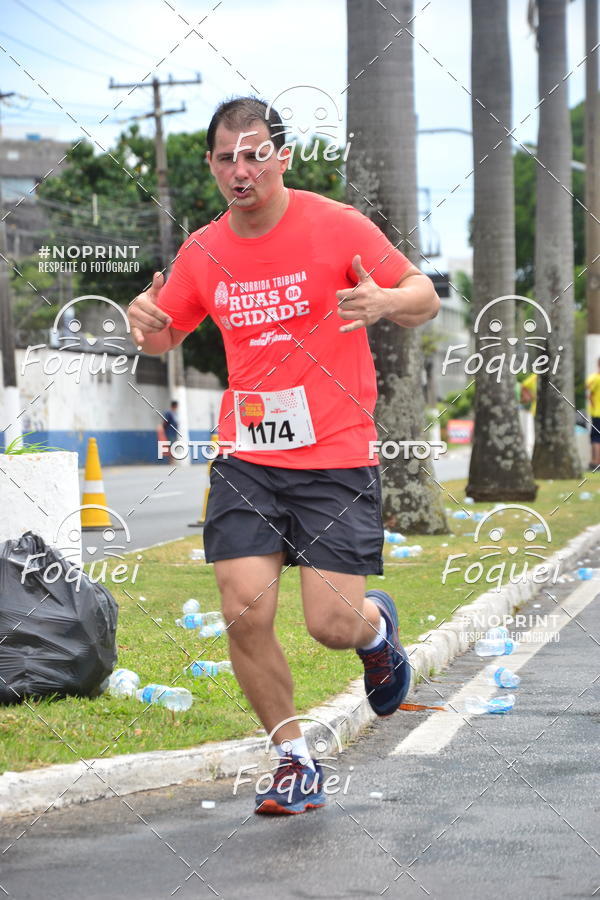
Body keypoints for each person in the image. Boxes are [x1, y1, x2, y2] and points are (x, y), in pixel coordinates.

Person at [128, 97, 439, 815]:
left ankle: (376, 631)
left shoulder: (336, 226)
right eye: (227, 157)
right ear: (210, 165)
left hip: (334, 454)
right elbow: (162, 334)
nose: (242, 169)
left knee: (332, 626)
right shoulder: (203, 249)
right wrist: (143, 322)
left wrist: (386, 303)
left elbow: (420, 293)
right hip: (248, 456)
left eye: (255, 152)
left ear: (282, 157)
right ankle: (293, 759)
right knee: (243, 609)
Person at [586, 358, 600, 468]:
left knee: (596, 438)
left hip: (597, 413)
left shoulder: (596, 378)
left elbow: (589, 391)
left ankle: (595, 462)